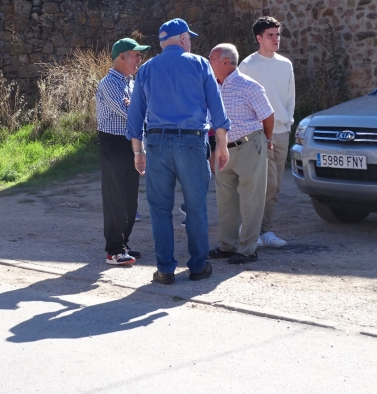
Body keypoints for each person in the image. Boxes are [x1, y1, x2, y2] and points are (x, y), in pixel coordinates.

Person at [126, 18, 230, 285]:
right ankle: (197, 266)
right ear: (183, 38)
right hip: (191, 142)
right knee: (195, 207)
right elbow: (216, 108)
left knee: (160, 209)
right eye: (189, 37)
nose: (191, 41)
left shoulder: (147, 68)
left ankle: (165, 270)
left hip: (157, 144)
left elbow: (135, 113)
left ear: (163, 42)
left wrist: (138, 150)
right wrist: (222, 144)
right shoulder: (199, 63)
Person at [207, 43, 274, 264]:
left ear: (226, 61)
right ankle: (227, 245)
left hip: (248, 146)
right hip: (223, 148)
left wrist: (267, 140)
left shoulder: (249, 86)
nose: (208, 60)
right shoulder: (212, 86)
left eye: (212, 57)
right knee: (225, 199)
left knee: (250, 199)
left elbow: (267, 115)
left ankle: (247, 249)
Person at [238, 16, 294, 247]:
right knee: (259, 183)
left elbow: (289, 98)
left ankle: (265, 231)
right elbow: (240, 99)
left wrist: (287, 123)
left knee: (276, 185)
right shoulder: (248, 65)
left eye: (277, 34)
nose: (276, 39)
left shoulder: (285, 65)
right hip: (257, 132)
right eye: (270, 35)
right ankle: (249, 229)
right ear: (258, 38)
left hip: (281, 131)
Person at [96, 38, 150, 265]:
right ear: (121, 57)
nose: (139, 59)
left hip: (131, 144)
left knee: (130, 200)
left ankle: (123, 244)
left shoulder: (131, 82)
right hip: (114, 145)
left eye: (139, 55)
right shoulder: (110, 83)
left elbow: (142, 109)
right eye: (135, 54)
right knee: (115, 198)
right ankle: (114, 250)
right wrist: (135, 106)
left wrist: (136, 105)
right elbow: (131, 114)